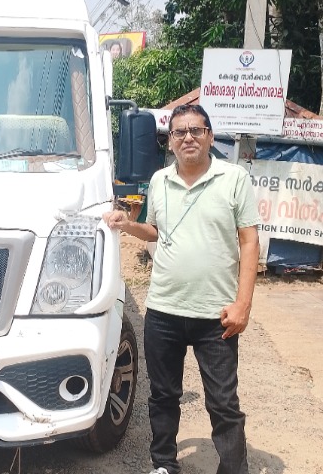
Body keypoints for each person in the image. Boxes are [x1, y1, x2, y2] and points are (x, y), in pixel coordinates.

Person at [103, 104, 260, 474]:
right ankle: (164, 464)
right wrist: (127, 224)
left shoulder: (234, 178)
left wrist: (243, 304)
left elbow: (249, 241)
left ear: (210, 136)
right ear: (170, 141)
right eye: (179, 132)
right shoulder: (159, 181)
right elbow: (155, 231)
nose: (188, 137)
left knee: (223, 403)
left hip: (216, 315)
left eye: (196, 130)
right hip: (164, 310)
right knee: (163, 396)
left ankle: (234, 469)